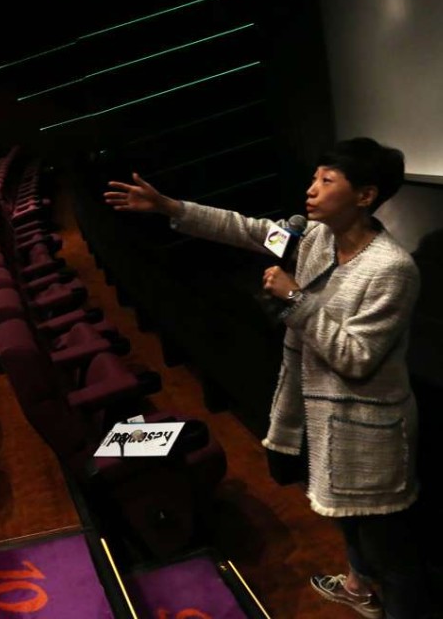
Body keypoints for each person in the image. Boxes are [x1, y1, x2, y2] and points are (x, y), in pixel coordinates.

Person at [104, 137, 428, 618]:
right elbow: (249, 230)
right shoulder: (317, 238)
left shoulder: (392, 269)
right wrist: (170, 207)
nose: (311, 190)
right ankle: (359, 588)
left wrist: (296, 298)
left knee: (388, 548)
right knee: (348, 521)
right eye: (314, 177)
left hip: (369, 429)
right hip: (325, 418)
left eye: (327, 181)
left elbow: (357, 357)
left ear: (365, 195)